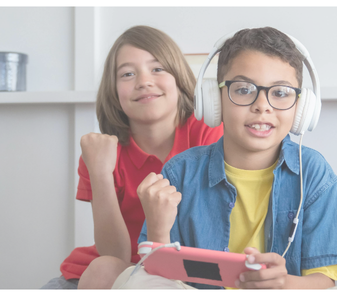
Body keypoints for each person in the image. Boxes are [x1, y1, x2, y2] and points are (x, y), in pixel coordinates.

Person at [125, 27, 337, 289]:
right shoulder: (180, 173)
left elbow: (326, 282)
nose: (262, 105)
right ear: (214, 99)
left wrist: (284, 283)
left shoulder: (313, 173)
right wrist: (158, 228)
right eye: (244, 90)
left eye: (280, 92)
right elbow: (156, 278)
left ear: (302, 107)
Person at [41, 25, 223, 289]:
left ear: (179, 78)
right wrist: (101, 173)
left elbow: (208, 237)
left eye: (157, 69)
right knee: (101, 269)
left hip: (179, 271)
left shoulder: (210, 135)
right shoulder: (100, 152)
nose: (144, 81)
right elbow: (112, 255)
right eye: (127, 74)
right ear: (114, 91)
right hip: (102, 272)